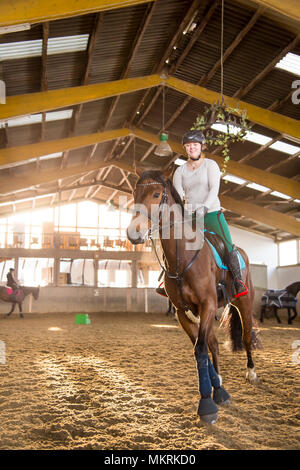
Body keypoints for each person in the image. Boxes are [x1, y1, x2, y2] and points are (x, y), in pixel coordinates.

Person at [156, 129, 248, 299]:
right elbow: (177, 195)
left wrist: (205, 207)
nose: (192, 148)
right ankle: (166, 280)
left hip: (211, 213)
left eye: (195, 145)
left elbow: (214, 188)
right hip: (190, 216)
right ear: (185, 148)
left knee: (228, 245)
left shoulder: (210, 165)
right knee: (174, 244)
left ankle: (237, 280)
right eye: (188, 146)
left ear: (201, 147)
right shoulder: (180, 171)